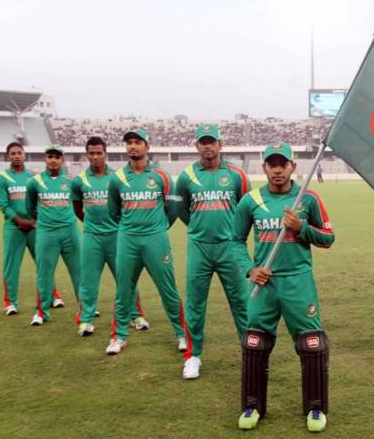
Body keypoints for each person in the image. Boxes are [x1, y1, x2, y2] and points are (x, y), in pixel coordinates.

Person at [232, 142, 334, 432]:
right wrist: (251, 270)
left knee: (311, 344)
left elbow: (329, 237)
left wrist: (302, 228)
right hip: (265, 284)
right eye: (271, 164)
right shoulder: (250, 201)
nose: (277, 170)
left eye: (283, 164)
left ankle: (315, 409)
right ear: (263, 167)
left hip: (298, 281)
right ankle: (252, 406)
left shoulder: (309, 199)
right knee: (255, 343)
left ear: (293, 166)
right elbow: (235, 240)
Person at [104, 129, 189, 355]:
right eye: (129, 143)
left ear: (146, 147)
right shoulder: (118, 179)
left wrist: (158, 228)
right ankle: (119, 336)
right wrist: (130, 228)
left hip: (156, 239)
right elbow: (113, 212)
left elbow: (173, 210)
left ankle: (182, 334)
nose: (133, 146)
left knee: (168, 289)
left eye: (137, 142)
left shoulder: (161, 177)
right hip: (128, 240)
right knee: (123, 290)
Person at [175, 124, 250, 379]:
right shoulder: (186, 176)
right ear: (197, 146)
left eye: (212, 141)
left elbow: (246, 208)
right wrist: (199, 227)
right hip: (199, 247)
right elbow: (182, 209)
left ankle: (250, 352)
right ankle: (193, 356)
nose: (208, 146)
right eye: (203, 142)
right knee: (195, 303)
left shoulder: (237, 175)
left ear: (220, 144)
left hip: (230, 247)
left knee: (242, 301)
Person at [71, 136, 149, 337]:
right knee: (88, 280)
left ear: (106, 154)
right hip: (92, 237)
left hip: (117, 236)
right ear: (87, 155)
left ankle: (135, 315)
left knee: (126, 279)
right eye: (91, 153)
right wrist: (91, 224)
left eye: (99, 153)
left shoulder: (118, 177)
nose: (95, 157)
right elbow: (77, 209)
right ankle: (86, 319)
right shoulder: (80, 180)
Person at [0, 142, 62, 315]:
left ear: (24, 155)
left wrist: (34, 220)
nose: (16, 156)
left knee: (44, 264)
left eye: (19, 153)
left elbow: (43, 199)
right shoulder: (2, 178)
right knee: (11, 266)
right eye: (13, 153)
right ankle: (10, 303)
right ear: (7, 156)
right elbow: (3, 205)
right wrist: (18, 220)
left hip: (35, 226)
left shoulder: (35, 176)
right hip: (13, 227)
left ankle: (53, 296)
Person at [25, 144, 81, 326]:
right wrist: (43, 221)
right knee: (44, 273)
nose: (54, 160)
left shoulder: (72, 181)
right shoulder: (35, 182)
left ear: (62, 160)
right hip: (46, 232)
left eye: (57, 157)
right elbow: (30, 207)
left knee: (79, 270)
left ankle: (86, 308)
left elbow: (79, 203)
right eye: (50, 156)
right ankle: (41, 312)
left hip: (70, 230)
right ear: (45, 159)